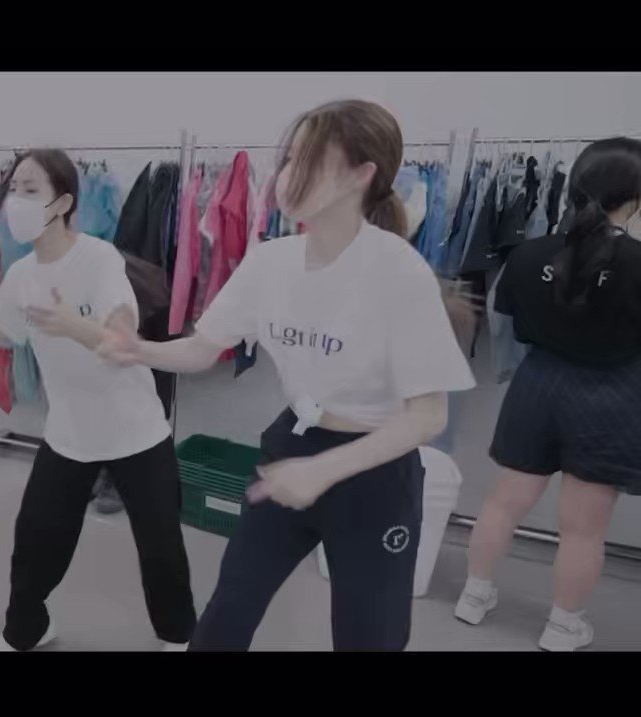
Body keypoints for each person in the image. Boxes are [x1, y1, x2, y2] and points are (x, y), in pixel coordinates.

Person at [99, 99, 477, 651]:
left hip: (374, 474)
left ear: (361, 175)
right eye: (289, 159)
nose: (286, 176)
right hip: (291, 452)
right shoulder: (270, 262)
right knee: (229, 609)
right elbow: (203, 349)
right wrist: (137, 350)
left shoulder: (399, 273)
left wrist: (324, 471)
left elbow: (427, 417)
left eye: (309, 161)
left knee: (369, 634)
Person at [0, 148, 196, 652]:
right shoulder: (22, 275)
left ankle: (178, 636)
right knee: (35, 543)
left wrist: (73, 325)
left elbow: (122, 339)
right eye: (13, 189)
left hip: (136, 432)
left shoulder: (99, 259)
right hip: (69, 434)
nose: (16, 201)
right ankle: (29, 629)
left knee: (161, 549)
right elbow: (4, 328)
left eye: (30, 190)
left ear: (63, 202)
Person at [455, 137, 641, 652]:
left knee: (501, 504)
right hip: (610, 397)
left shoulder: (529, 254)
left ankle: (473, 596)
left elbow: (513, 319)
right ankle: (562, 627)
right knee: (583, 530)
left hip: (536, 386)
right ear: (633, 196)